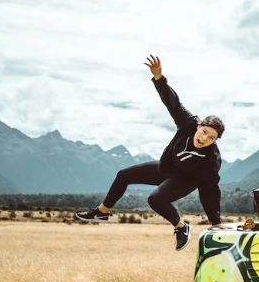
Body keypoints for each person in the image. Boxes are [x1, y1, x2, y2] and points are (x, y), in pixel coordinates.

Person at [76, 55, 225, 251]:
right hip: (168, 168)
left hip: (187, 179)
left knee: (155, 199)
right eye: (205, 132)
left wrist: (215, 221)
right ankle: (102, 212)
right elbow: (173, 103)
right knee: (124, 175)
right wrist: (159, 78)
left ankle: (181, 227)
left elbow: (210, 190)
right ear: (199, 126)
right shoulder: (188, 123)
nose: (205, 139)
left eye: (211, 138)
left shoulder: (210, 160)